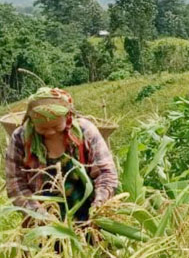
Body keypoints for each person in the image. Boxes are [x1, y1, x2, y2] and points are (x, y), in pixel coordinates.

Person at [5, 87, 118, 223]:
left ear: (68, 117)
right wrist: (38, 214)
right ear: (31, 122)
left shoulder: (85, 131)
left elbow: (106, 173)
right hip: (43, 225)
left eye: (56, 126)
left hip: (89, 219)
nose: (50, 132)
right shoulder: (21, 138)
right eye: (42, 128)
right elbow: (15, 183)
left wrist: (99, 203)